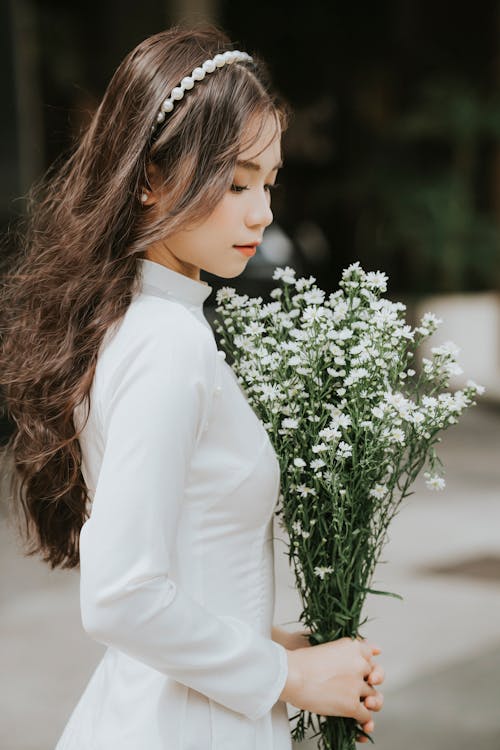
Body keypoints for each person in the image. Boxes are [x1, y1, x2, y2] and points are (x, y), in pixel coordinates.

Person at [0, 25, 384, 749]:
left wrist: (290, 650)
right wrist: (288, 677)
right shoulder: (165, 342)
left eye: (268, 182)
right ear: (149, 177)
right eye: (236, 182)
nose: (261, 211)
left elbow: (183, 574)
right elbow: (122, 597)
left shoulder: (145, 322)